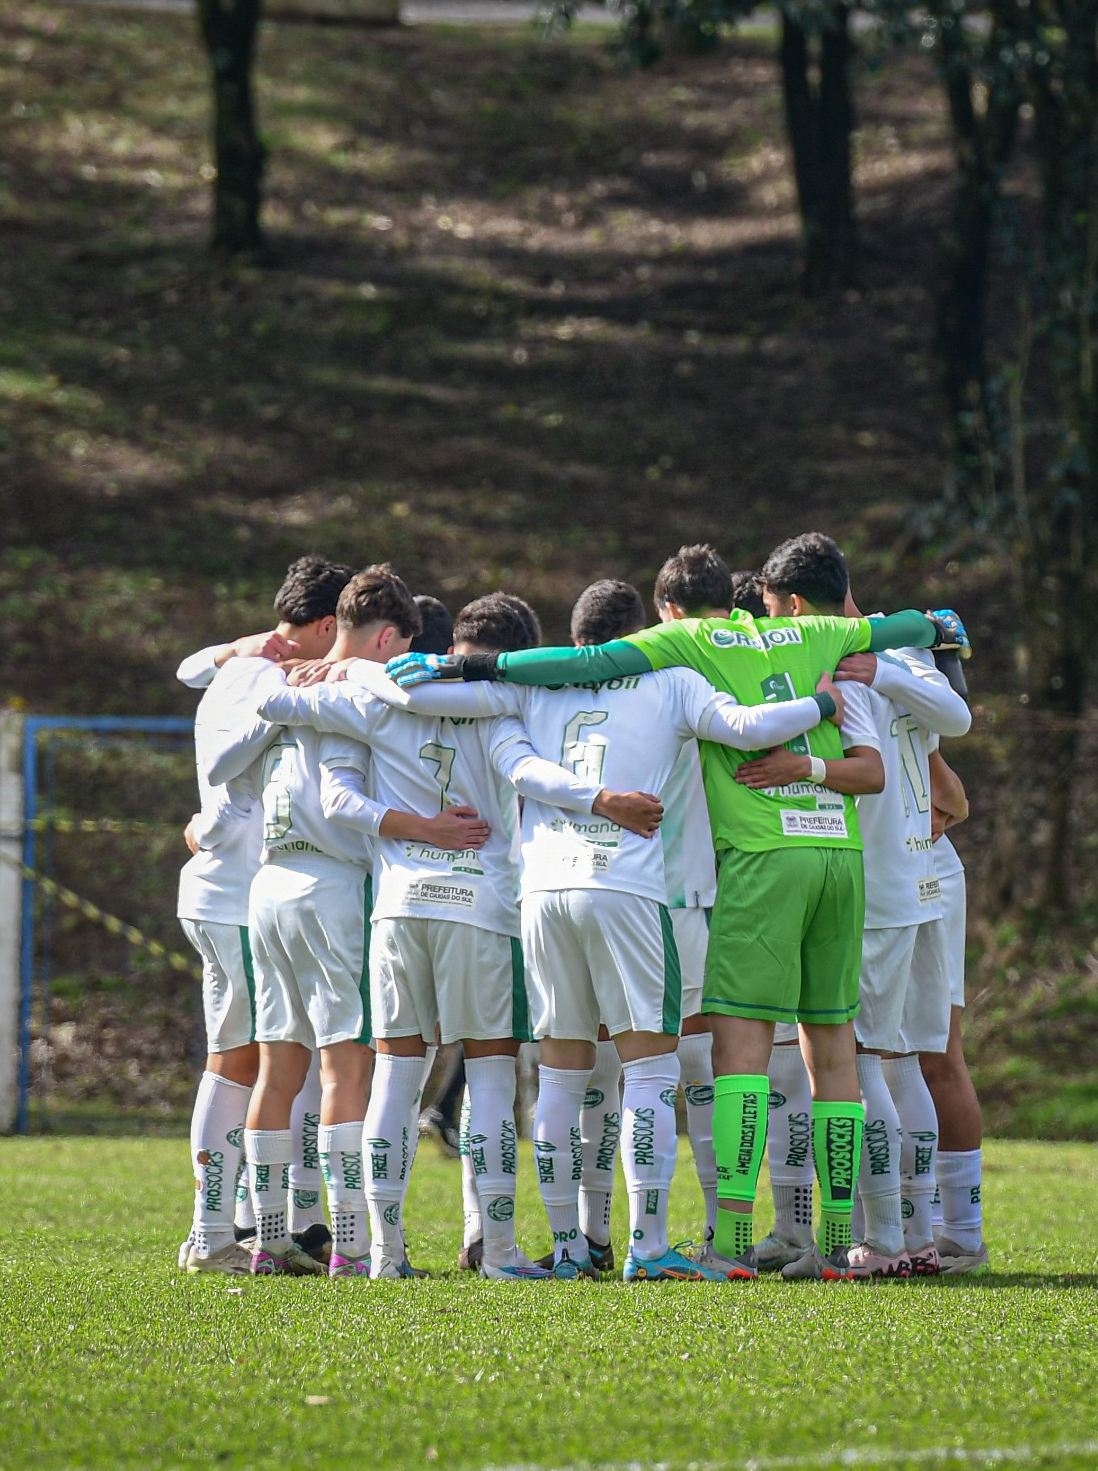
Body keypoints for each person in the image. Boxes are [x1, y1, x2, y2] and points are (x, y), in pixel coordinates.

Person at [391, 545, 967, 1279]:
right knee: (833, 1059)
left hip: (687, 874)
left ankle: (659, 1239)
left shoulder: (679, 651)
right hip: (823, 863)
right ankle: (838, 1239)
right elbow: (898, 669)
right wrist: (930, 630)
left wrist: (460, 665)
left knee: (687, 1065)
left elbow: (578, 675)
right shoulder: (818, 637)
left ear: (666, 611)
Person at [259, 593, 559, 1280]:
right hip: (481, 908)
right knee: (489, 1077)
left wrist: (337, 671)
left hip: (397, 908)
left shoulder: (381, 695)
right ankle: (500, 1251)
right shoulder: (513, 704)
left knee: (395, 1078)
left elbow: (271, 705)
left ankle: (385, 1255)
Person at [757, 534, 972, 1280]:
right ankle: (915, 1236)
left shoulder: (849, 667)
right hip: (923, 885)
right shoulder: (904, 647)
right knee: (905, 1062)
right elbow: (957, 718)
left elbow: (876, 765)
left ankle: (878, 1243)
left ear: (789, 603)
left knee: (865, 1064)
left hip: (877, 890)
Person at [201, 565, 419, 1276]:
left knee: (278, 1064)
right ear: (385, 637)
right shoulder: (357, 685)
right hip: (333, 883)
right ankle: (352, 1246)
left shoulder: (282, 684)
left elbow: (226, 761)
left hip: (268, 887)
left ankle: (266, 1239)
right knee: (344, 1063)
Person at [177, 556, 351, 1276]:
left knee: (265, 1061)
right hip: (236, 896)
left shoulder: (240, 668)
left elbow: (194, 672)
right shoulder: (268, 680)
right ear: (324, 625)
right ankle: (211, 1235)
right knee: (237, 1063)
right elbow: (224, 770)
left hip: (236, 893)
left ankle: (260, 1228)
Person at [919, 750, 987, 1273]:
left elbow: (953, 799)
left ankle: (962, 1235)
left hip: (922, 877)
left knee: (935, 1052)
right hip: (855, 872)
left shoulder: (891, 677)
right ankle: (908, 1228)